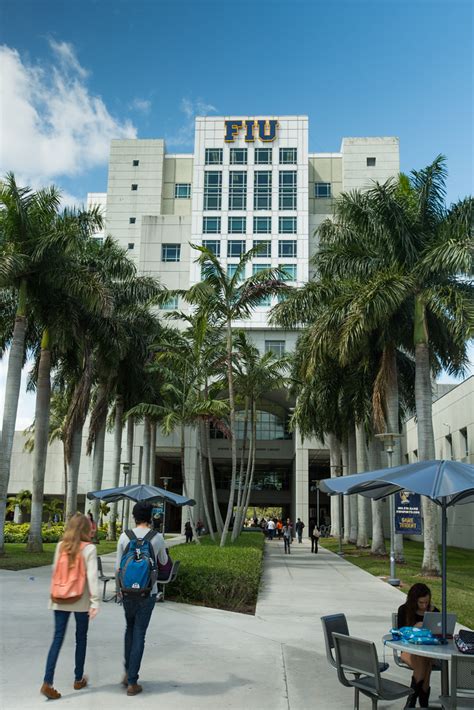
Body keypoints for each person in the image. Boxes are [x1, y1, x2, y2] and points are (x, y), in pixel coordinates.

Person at [40, 513, 100, 700]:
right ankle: (78, 678)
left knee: (57, 638)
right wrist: (95, 601)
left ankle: (47, 682)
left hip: (60, 597)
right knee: (81, 638)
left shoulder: (60, 546)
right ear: (85, 529)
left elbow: (54, 570)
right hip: (80, 600)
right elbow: (92, 577)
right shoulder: (89, 549)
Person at [116, 502, 168, 696]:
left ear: (134, 516)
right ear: (151, 517)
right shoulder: (157, 538)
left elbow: (118, 568)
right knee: (139, 633)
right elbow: (163, 562)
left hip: (127, 592)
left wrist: (119, 590)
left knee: (129, 629)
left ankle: (127, 673)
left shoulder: (124, 536)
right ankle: (132, 681)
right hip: (148, 592)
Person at [397, 583, 439, 707]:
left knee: (425, 662)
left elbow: (439, 632)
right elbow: (399, 634)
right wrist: (413, 628)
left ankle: (411, 704)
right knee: (425, 666)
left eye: (427, 602)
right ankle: (420, 703)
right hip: (407, 649)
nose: (424, 605)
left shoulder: (434, 612)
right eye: (421, 603)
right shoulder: (404, 610)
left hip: (428, 650)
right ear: (414, 601)